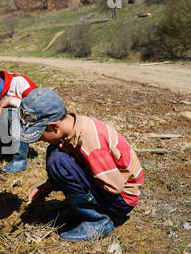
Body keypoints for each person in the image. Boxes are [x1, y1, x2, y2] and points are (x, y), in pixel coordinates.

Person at [19, 88, 144, 242]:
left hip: (121, 199)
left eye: (40, 135)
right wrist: (48, 186)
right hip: (111, 189)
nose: (40, 140)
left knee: (59, 161)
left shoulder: (90, 142)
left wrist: (78, 158)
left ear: (54, 126)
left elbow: (115, 187)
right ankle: (80, 210)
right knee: (56, 151)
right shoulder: (73, 127)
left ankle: (97, 220)